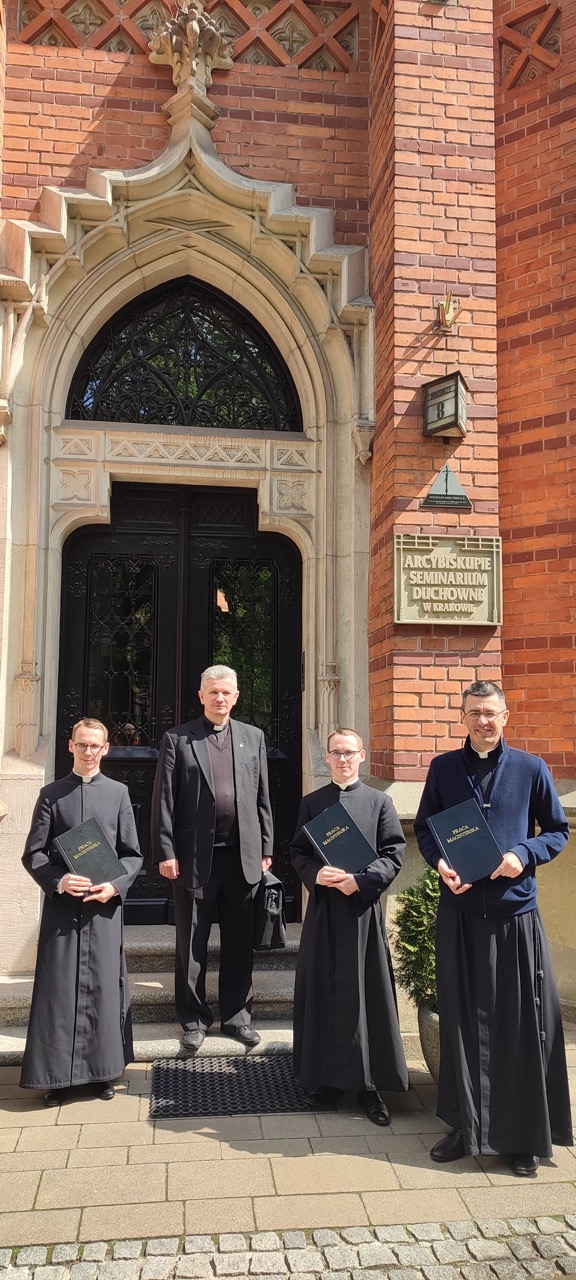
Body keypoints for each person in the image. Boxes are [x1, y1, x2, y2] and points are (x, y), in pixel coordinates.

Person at [414, 680, 573, 1177]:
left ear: (505, 716)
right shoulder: (443, 769)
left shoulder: (531, 768)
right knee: (462, 1021)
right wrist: (440, 862)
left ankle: (522, 1138)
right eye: (474, 713)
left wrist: (522, 854)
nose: (483, 721)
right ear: (462, 718)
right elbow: (425, 829)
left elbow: (557, 832)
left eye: (491, 713)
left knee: (518, 1023)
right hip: (460, 914)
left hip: (513, 915)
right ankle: (464, 1127)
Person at [20, 718, 142, 1107]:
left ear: (106, 749)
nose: (89, 752)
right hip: (64, 911)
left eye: (96, 746)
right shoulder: (51, 795)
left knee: (103, 988)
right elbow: (34, 854)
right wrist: (59, 880)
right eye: (82, 745)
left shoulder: (119, 793)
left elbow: (132, 855)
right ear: (70, 746)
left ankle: (102, 1073)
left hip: (103, 911)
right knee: (58, 991)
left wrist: (115, 885)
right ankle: (57, 1078)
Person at [151, 664, 273, 1052]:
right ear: (201, 696)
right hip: (193, 859)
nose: (220, 698)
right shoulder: (178, 739)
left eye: (227, 692)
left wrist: (266, 848)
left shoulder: (253, 737)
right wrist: (166, 851)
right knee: (192, 943)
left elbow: (262, 798)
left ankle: (237, 1018)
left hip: (242, 857)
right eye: (213, 692)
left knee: (239, 942)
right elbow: (164, 800)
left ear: (236, 697)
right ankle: (193, 1019)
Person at [290, 727, 409, 1125]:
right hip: (325, 912)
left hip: (361, 913)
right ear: (327, 757)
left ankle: (369, 1088)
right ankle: (325, 1082)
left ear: (362, 756)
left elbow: (394, 854)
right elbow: (298, 852)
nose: (342, 759)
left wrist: (361, 881)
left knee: (365, 994)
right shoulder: (312, 803)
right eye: (336, 753)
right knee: (324, 993)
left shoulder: (380, 802)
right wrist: (316, 874)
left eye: (349, 752)